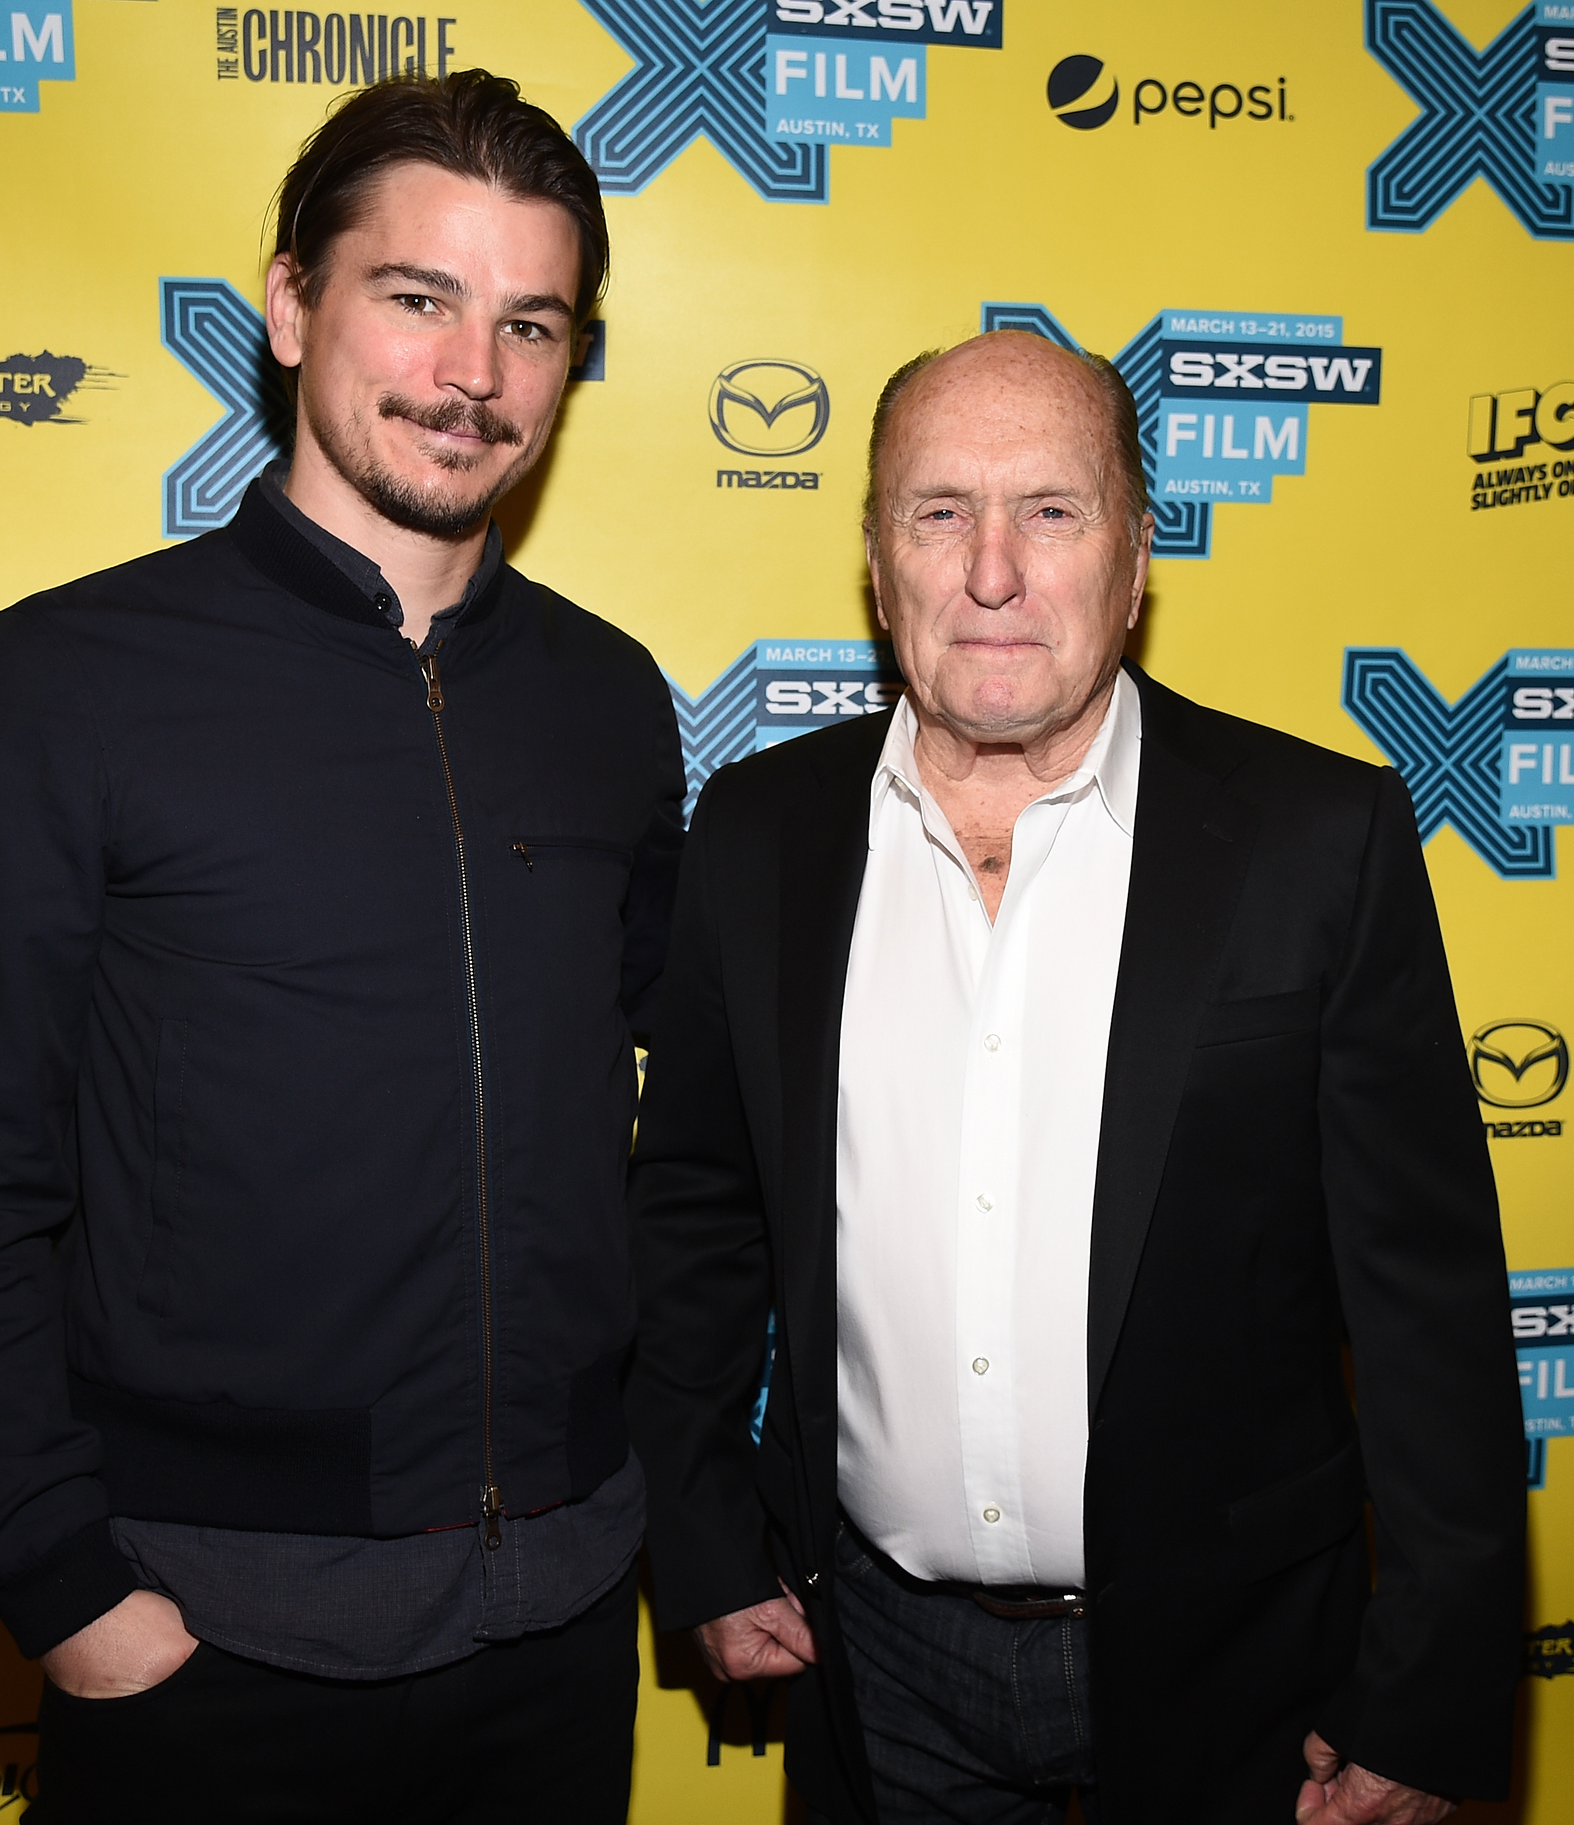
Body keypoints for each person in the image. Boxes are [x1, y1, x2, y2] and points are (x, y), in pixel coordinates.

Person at [0, 71, 683, 1824]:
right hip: (208, 1642)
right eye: (417, 297)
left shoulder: (612, 701)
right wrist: (67, 1592)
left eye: (531, 323)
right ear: (294, 303)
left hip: (558, 1628)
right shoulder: (60, 685)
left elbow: (650, 1140)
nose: (474, 374)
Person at [625, 330, 1525, 1825]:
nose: (993, 571)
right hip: (878, 1666)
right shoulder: (763, 829)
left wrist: (1433, 1692)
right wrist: (707, 1538)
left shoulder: (1322, 838)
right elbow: (696, 1219)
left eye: (1052, 510)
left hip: (1244, 1675)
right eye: (938, 512)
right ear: (873, 555)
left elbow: (1426, 1307)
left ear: (1135, 554)